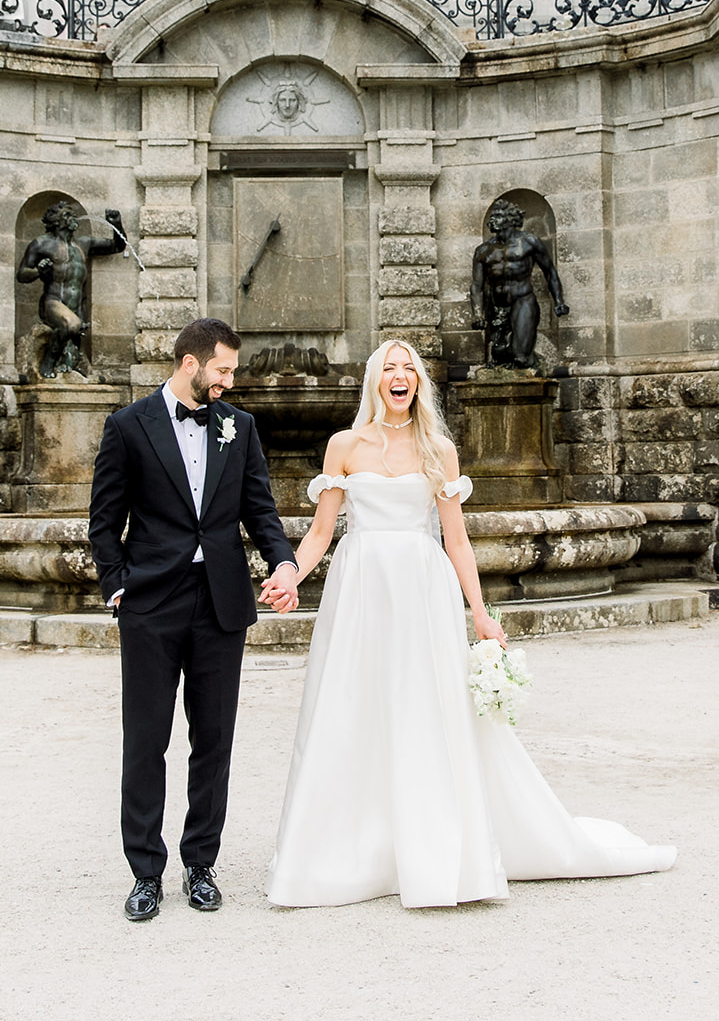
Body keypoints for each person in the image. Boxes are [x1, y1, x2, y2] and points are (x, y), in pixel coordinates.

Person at [265, 338, 675, 908]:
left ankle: (431, 848)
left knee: (424, 710)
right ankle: (355, 852)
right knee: (352, 705)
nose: (400, 376)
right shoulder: (344, 445)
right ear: (374, 381)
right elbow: (319, 533)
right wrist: (291, 574)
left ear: (418, 383)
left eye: (409, 369)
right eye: (390, 368)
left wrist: (480, 612)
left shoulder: (439, 451)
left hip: (421, 591)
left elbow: (456, 539)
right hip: (358, 591)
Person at [88, 317, 301, 922]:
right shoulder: (128, 427)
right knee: (146, 741)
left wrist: (283, 563)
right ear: (190, 363)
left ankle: (201, 864)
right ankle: (145, 873)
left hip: (221, 604)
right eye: (224, 370)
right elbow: (104, 521)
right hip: (151, 605)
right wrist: (117, 588)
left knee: (213, 741)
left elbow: (260, 509)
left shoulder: (240, 427)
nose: (230, 381)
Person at [16, 201, 125, 378]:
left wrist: (116, 224)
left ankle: (62, 360)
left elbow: (117, 246)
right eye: (67, 215)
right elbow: (22, 274)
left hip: (77, 306)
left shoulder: (83, 244)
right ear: (56, 221)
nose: (73, 218)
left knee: (72, 353)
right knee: (71, 324)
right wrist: (38, 271)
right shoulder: (41, 244)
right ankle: (47, 363)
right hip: (53, 302)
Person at [470, 200, 569, 372]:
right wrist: (477, 314)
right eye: (492, 216)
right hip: (497, 307)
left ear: (510, 219)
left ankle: (528, 356)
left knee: (521, 358)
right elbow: (477, 285)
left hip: (522, 301)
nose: (492, 219)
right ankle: (515, 351)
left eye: (498, 216)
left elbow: (550, 272)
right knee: (498, 355)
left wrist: (559, 301)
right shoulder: (483, 250)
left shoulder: (529, 242)